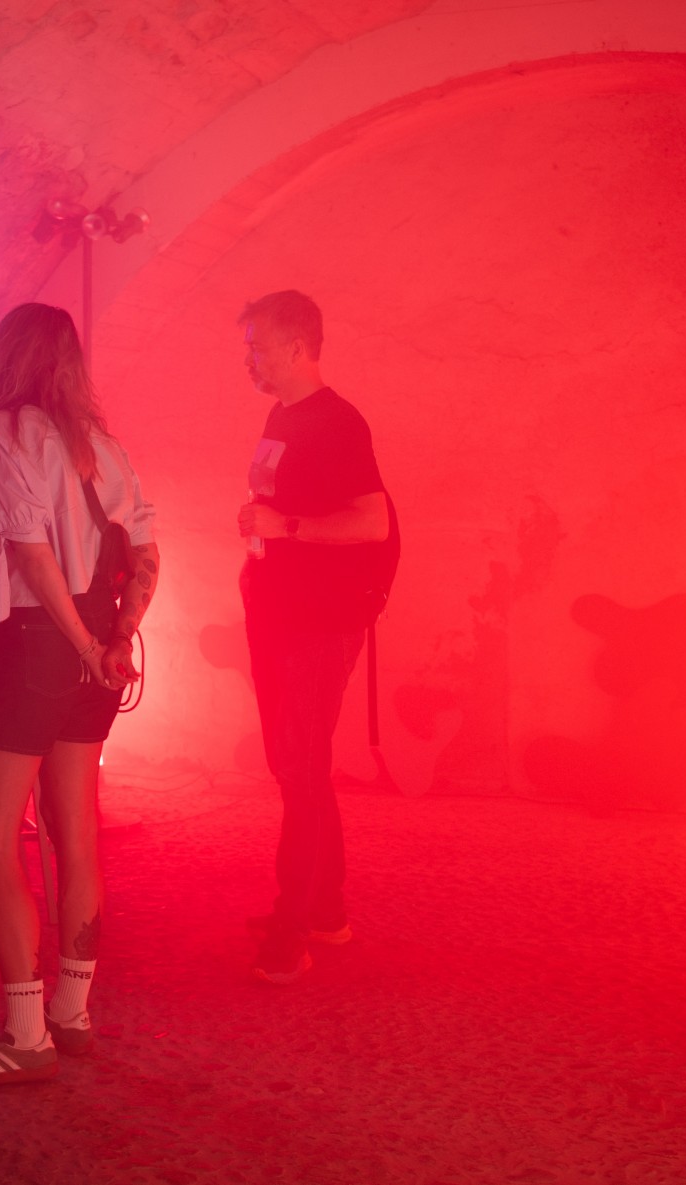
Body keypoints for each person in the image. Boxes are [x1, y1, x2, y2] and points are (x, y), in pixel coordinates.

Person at [0, 303, 160, 1086]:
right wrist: (114, 639)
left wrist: (75, 642)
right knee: (76, 830)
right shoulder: (104, 445)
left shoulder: (3, 430)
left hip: (37, 645)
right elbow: (150, 555)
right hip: (95, 652)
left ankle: (26, 1032)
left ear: (3, 358)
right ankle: (73, 1012)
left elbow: (31, 557)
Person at [234, 291, 391, 986]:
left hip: (319, 623)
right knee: (294, 763)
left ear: (299, 347)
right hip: (275, 610)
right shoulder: (282, 415)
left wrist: (286, 530)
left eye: (259, 345)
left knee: (300, 769)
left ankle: (293, 927)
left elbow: (372, 523)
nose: (251, 358)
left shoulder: (340, 423)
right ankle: (327, 909)